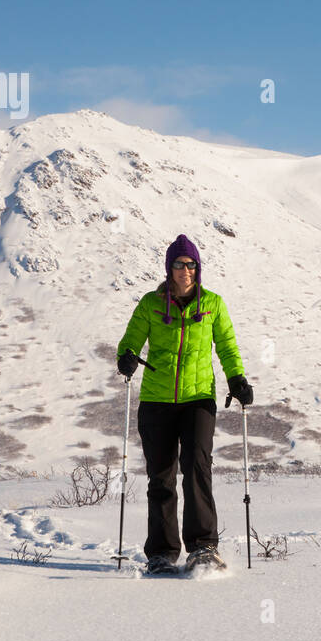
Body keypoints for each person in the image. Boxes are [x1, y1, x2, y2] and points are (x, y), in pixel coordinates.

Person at [116, 233, 253, 573]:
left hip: (198, 401)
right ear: (169, 268)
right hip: (157, 401)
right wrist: (127, 358)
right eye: (178, 264)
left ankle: (204, 547)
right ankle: (161, 553)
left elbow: (227, 347)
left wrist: (237, 379)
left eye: (190, 265)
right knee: (161, 477)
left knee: (196, 468)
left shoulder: (213, 305)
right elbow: (129, 342)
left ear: (198, 269)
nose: (185, 271)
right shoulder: (150, 304)